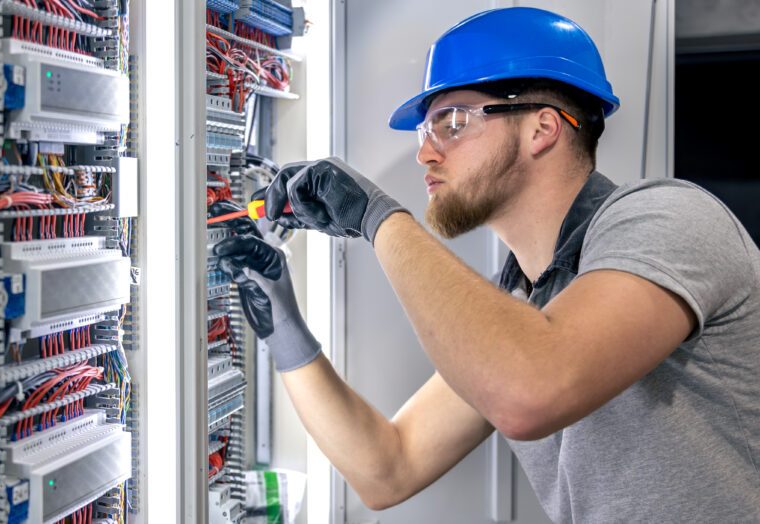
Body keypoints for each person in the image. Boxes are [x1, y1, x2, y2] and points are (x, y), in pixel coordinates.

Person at [215, 7, 760, 522]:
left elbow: (531, 389)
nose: (425, 153)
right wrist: (282, 325)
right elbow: (388, 468)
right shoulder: (525, 302)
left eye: (451, 123)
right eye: (425, 131)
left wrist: (376, 216)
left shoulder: (670, 219)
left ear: (542, 128)